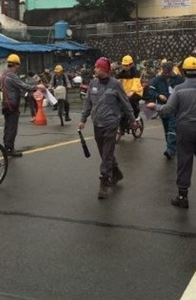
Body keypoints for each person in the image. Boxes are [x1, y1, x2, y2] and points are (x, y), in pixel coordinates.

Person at [146, 57, 196, 210]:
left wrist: (156, 106)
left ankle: (182, 197)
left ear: (183, 71)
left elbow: (168, 109)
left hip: (184, 129)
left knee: (184, 162)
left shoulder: (179, 89)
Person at [79, 57, 137, 200]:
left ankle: (104, 182)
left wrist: (132, 119)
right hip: (97, 123)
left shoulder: (115, 84)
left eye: (97, 67)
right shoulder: (92, 83)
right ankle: (116, 172)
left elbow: (125, 103)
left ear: (104, 69)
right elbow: (87, 102)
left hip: (111, 123)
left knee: (106, 153)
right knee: (104, 153)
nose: (95, 69)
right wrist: (83, 119)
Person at [0, 53, 44, 157]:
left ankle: (6, 147)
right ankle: (9, 149)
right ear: (15, 65)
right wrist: (37, 87)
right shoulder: (12, 76)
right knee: (12, 128)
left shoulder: (3, 75)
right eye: (18, 65)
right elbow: (23, 85)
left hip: (5, 104)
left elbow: (13, 89)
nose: (18, 67)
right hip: (12, 105)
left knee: (7, 127)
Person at [148, 61, 184, 159]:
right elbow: (150, 90)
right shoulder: (157, 80)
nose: (167, 74)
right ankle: (172, 145)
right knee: (167, 129)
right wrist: (158, 95)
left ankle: (170, 149)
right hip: (162, 108)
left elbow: (184, 90)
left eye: (168, 72)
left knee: (172, 127)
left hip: (174, 108)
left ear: (172, 69)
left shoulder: (179, 79)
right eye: (165, 72)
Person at [116, 54, 143, 121]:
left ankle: (135, 116)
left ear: (131, 64)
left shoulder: (136, 72)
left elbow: (136, 83)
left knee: (131, 101)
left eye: (126, 65)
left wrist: (132, 92)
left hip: (136, 92)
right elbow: (116, 83)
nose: (125, 67)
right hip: (126, 93)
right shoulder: (121, 74)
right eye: (124, 65)